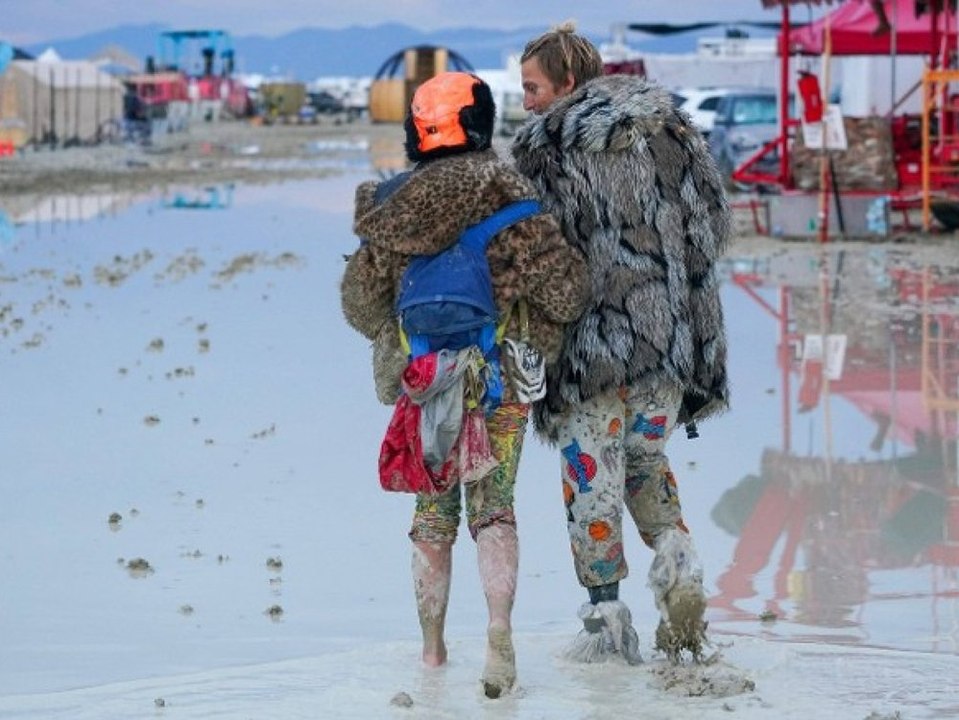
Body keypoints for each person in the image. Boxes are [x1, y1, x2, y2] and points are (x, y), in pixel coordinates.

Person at [341, 71, 589, 697]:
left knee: (432, 515)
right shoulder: (509, 194)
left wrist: (407, 346)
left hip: (422, 384)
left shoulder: (390, 203)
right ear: (479, 123)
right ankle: (499, 632)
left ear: (416, 129)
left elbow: (360, 305)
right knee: (494, 507)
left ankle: (431, 654)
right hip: (499, 379)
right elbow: (566, 290)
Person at [511, 22, 731, 663]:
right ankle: (680, 568)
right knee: (646, 464)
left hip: (590, 352)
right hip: (668, 346)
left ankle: (607, 620)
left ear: (568, 83)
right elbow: (711, 227)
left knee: (591, 481)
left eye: (532, 87)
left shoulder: (547, 149)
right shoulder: (674, 132)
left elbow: (534, 260)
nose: (525, 102)